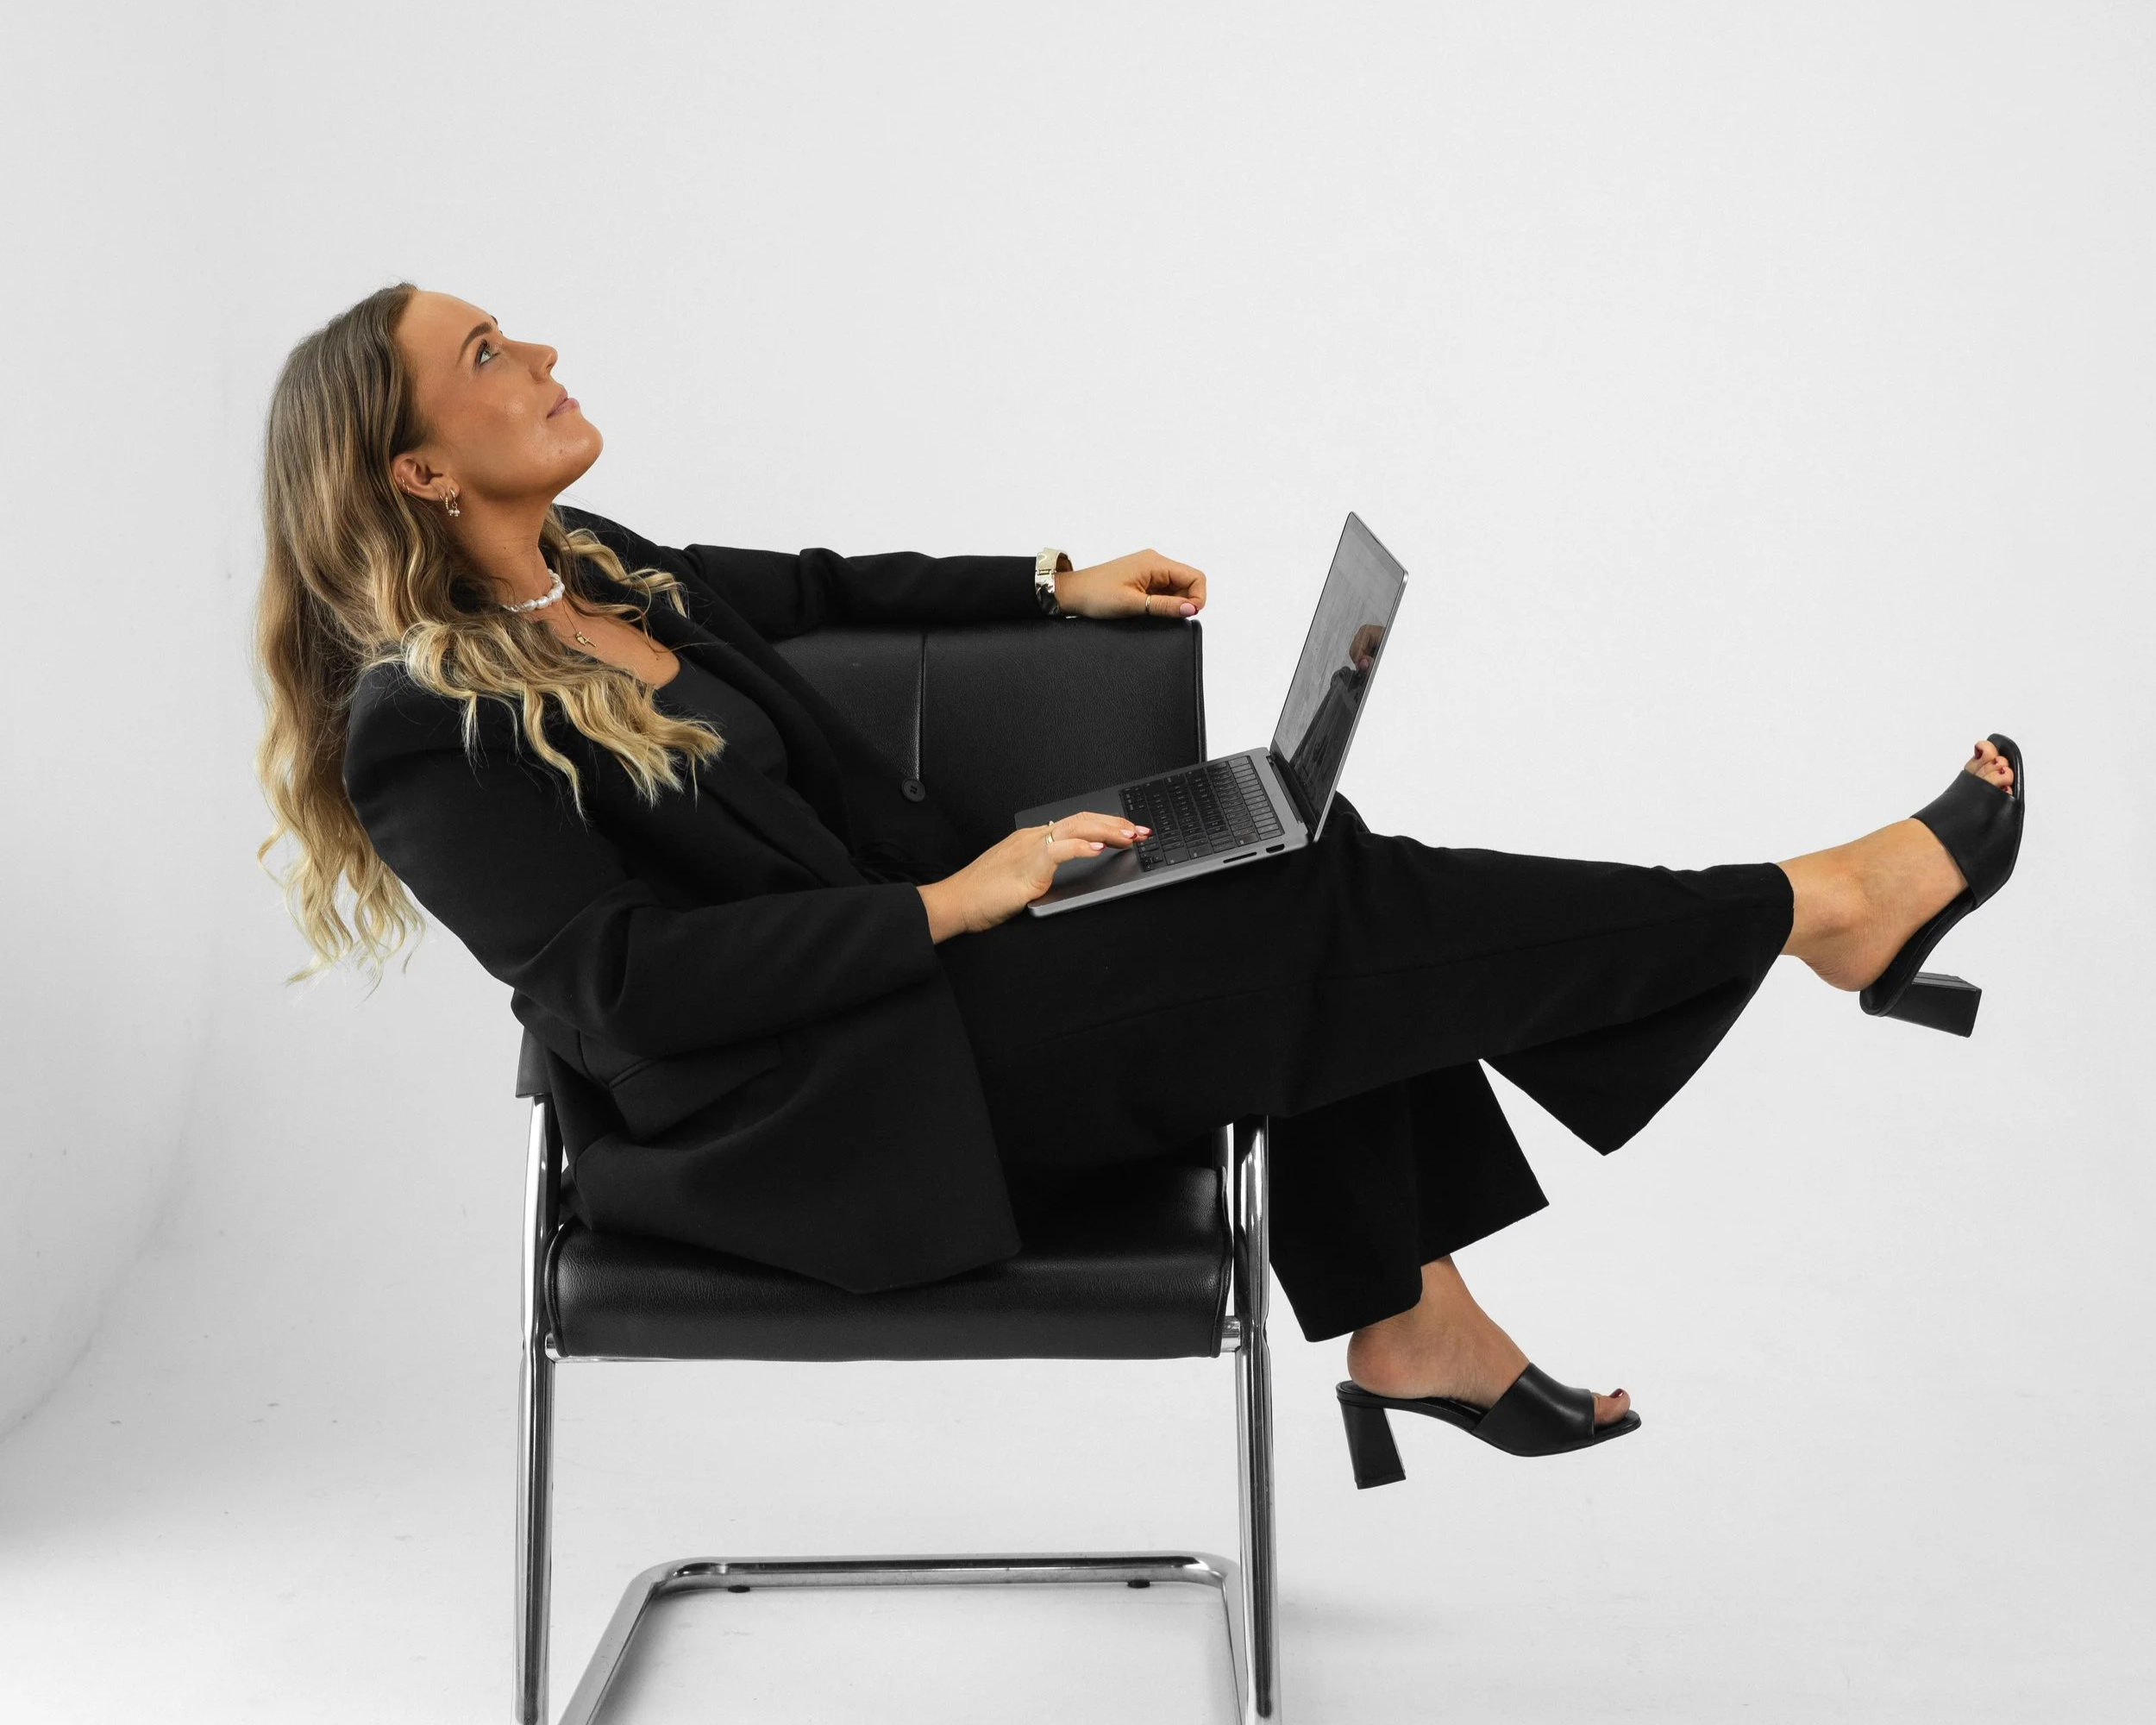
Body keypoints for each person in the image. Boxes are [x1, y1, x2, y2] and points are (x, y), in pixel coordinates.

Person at [254, 283, 2024, 1476]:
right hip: (825, 1105)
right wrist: (952, 903)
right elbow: (611, 996)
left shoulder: (600, 568)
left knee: (1286, 855)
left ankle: (1421, 1316)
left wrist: (1049, 584)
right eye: (488, 355)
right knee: (1306, 912)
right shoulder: (422, 721)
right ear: (415, 470)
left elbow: (807, 585)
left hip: (938, 1002)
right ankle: (1809, 911)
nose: (539, 354)